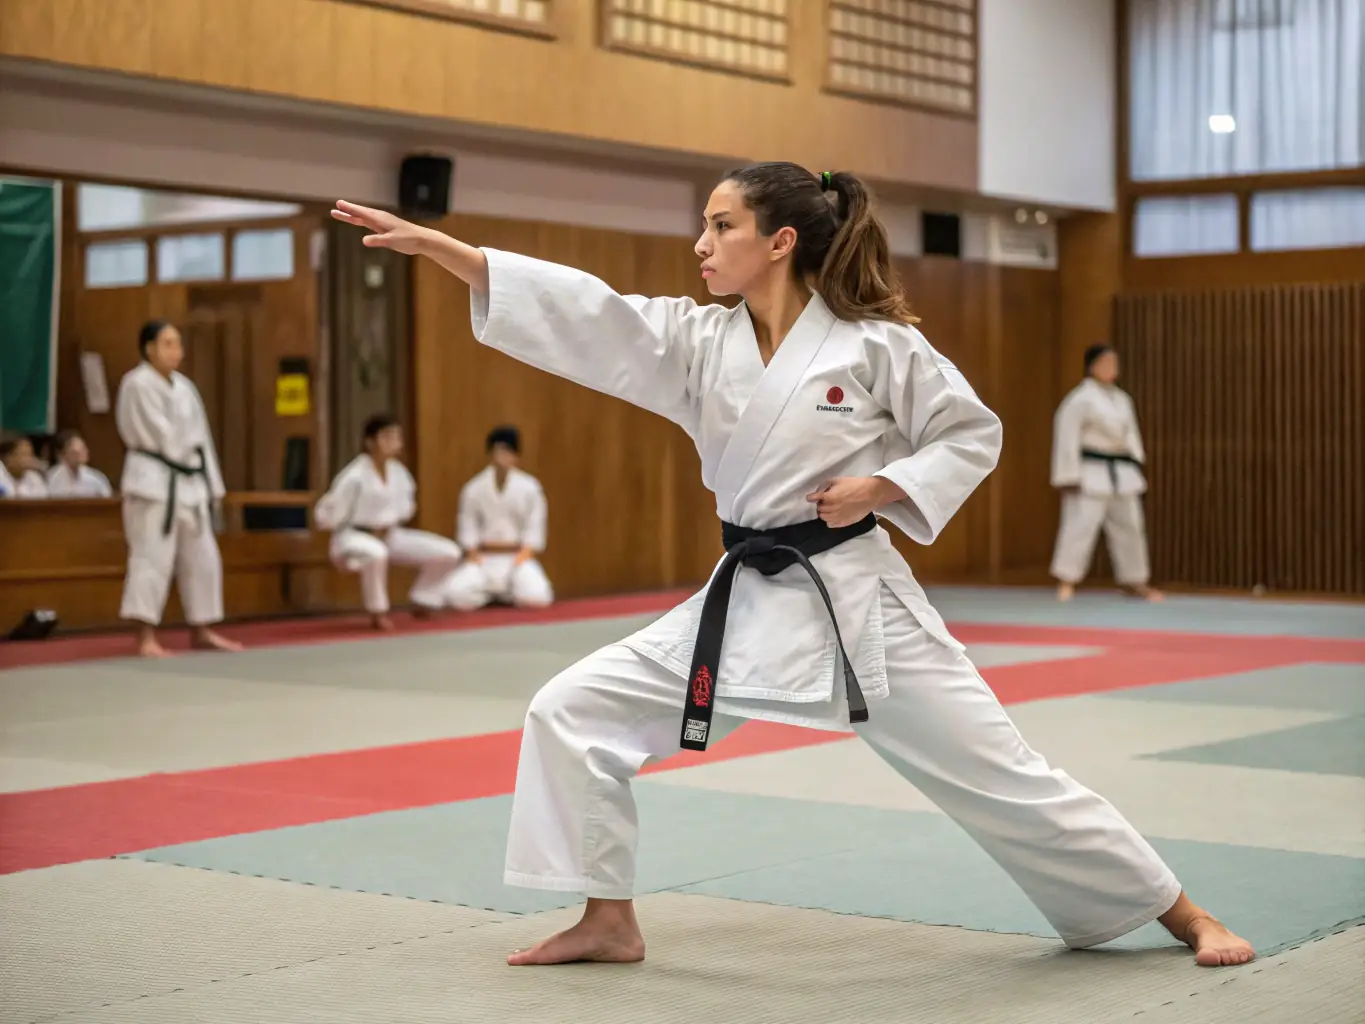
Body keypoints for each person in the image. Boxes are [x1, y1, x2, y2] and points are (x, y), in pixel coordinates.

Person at [331, 164, 1253, 970]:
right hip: (744, 597)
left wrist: (881, 487)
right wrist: (456, 253)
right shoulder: (699, 341)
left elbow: (969, 432)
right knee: (571, 709)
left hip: (856, 602)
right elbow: (592, 315)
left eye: (719, 225)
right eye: (703, 224)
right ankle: (606, 917)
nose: (700, 243)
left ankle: (1181, 910)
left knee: (998, 769)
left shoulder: (876, 344)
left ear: (778, 242)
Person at [115, 320, 242, 657]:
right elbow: (165, 439)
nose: (176, 351)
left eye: (178, 344)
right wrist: (187, 445)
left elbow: (203, 442)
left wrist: (213, 486)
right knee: (150, 559)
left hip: (190, 485)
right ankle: (145, 637)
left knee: (203, 559)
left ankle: (202, 629)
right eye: (168, 344)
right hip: (153, 483)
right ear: (149, 348)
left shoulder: (185, 387)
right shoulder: (136, 384)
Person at [314, 413, 464, 631]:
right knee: (376, 553)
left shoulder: (399, 472)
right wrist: (359, 528)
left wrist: (386, 526)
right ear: (370, 442)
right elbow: (328, 513)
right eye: (387, 436)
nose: (393, 441)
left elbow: (406, 508)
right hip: (352, 537)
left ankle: (425, 599)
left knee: (449, 552)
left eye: (396, 436)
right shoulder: (353, 475)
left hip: (390, 535)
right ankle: (378, 612)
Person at [1049, 344, 1163, 603]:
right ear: (1092, 366)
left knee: (1131, 527)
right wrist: (1067, 475)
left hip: (1122, 472)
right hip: (1090, 472)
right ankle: (1067, 580)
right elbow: (1066, 438)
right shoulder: (1079, 399)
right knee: (1080, 526)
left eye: (1114, 363)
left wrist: (1135, 460)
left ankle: (1135, 580)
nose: (1112, 369)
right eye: (1106, 363)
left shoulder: (1122, 399)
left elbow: (1131, 434)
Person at [443, 424, 554, 611]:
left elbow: (534, 529)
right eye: (498, 451)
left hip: (517, 556)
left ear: (516, 455)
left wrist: (522, 556)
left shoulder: (530, 488)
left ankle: (507, 592)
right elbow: (467, 527)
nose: (503, 456)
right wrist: (473, 555)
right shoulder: (474, 489)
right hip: (484, 557)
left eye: (508, 451)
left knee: (538, 597)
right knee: (454, 593)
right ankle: (494, 594)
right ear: (490, 454)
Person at [45, 429, 114, 498]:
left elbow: (108, 499)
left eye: (83, 450)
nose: (80, 455)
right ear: (64, 454)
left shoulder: (96, 478)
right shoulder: (52, 477)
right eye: (75, 453)